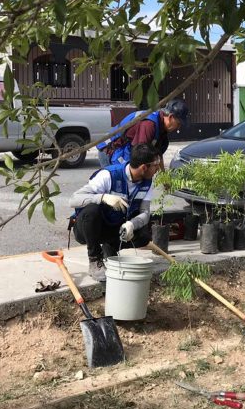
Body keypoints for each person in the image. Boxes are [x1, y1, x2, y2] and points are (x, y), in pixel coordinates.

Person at [69, 143, 162, 281]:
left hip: (114, 226)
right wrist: (103, 197)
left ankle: (110, 247)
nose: (158, 169)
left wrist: (131, 224)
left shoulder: (147, 182)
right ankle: (94, 259)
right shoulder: (108, 175)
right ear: (144, 167)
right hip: (88, 228)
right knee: (91, 210)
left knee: (143, 235)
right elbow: (73, 199)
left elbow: (145, 213)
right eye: (156, 165)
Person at [97, 99, 189, 169]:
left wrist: (163, 177)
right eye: (178, 123)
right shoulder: (149, 125)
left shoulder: (162, 129)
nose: (178, 127)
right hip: (110, 152)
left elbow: (158, 154)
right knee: (119, 189)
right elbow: (140, 156)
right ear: (170, 117)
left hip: (127, 154)